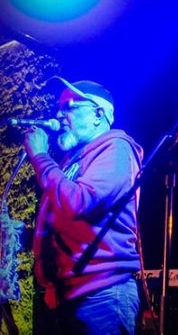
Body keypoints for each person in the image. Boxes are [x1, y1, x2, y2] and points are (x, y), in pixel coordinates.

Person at [23, 77, 143, 334]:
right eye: (59, 107)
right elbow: (71, 226)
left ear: (98, 114)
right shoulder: (72, 162)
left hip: (100, 296)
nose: (59, 114)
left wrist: (41, 157)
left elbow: (80, 202)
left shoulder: (115, 148)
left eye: (70, 107)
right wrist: (23, 235)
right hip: (64, 298)